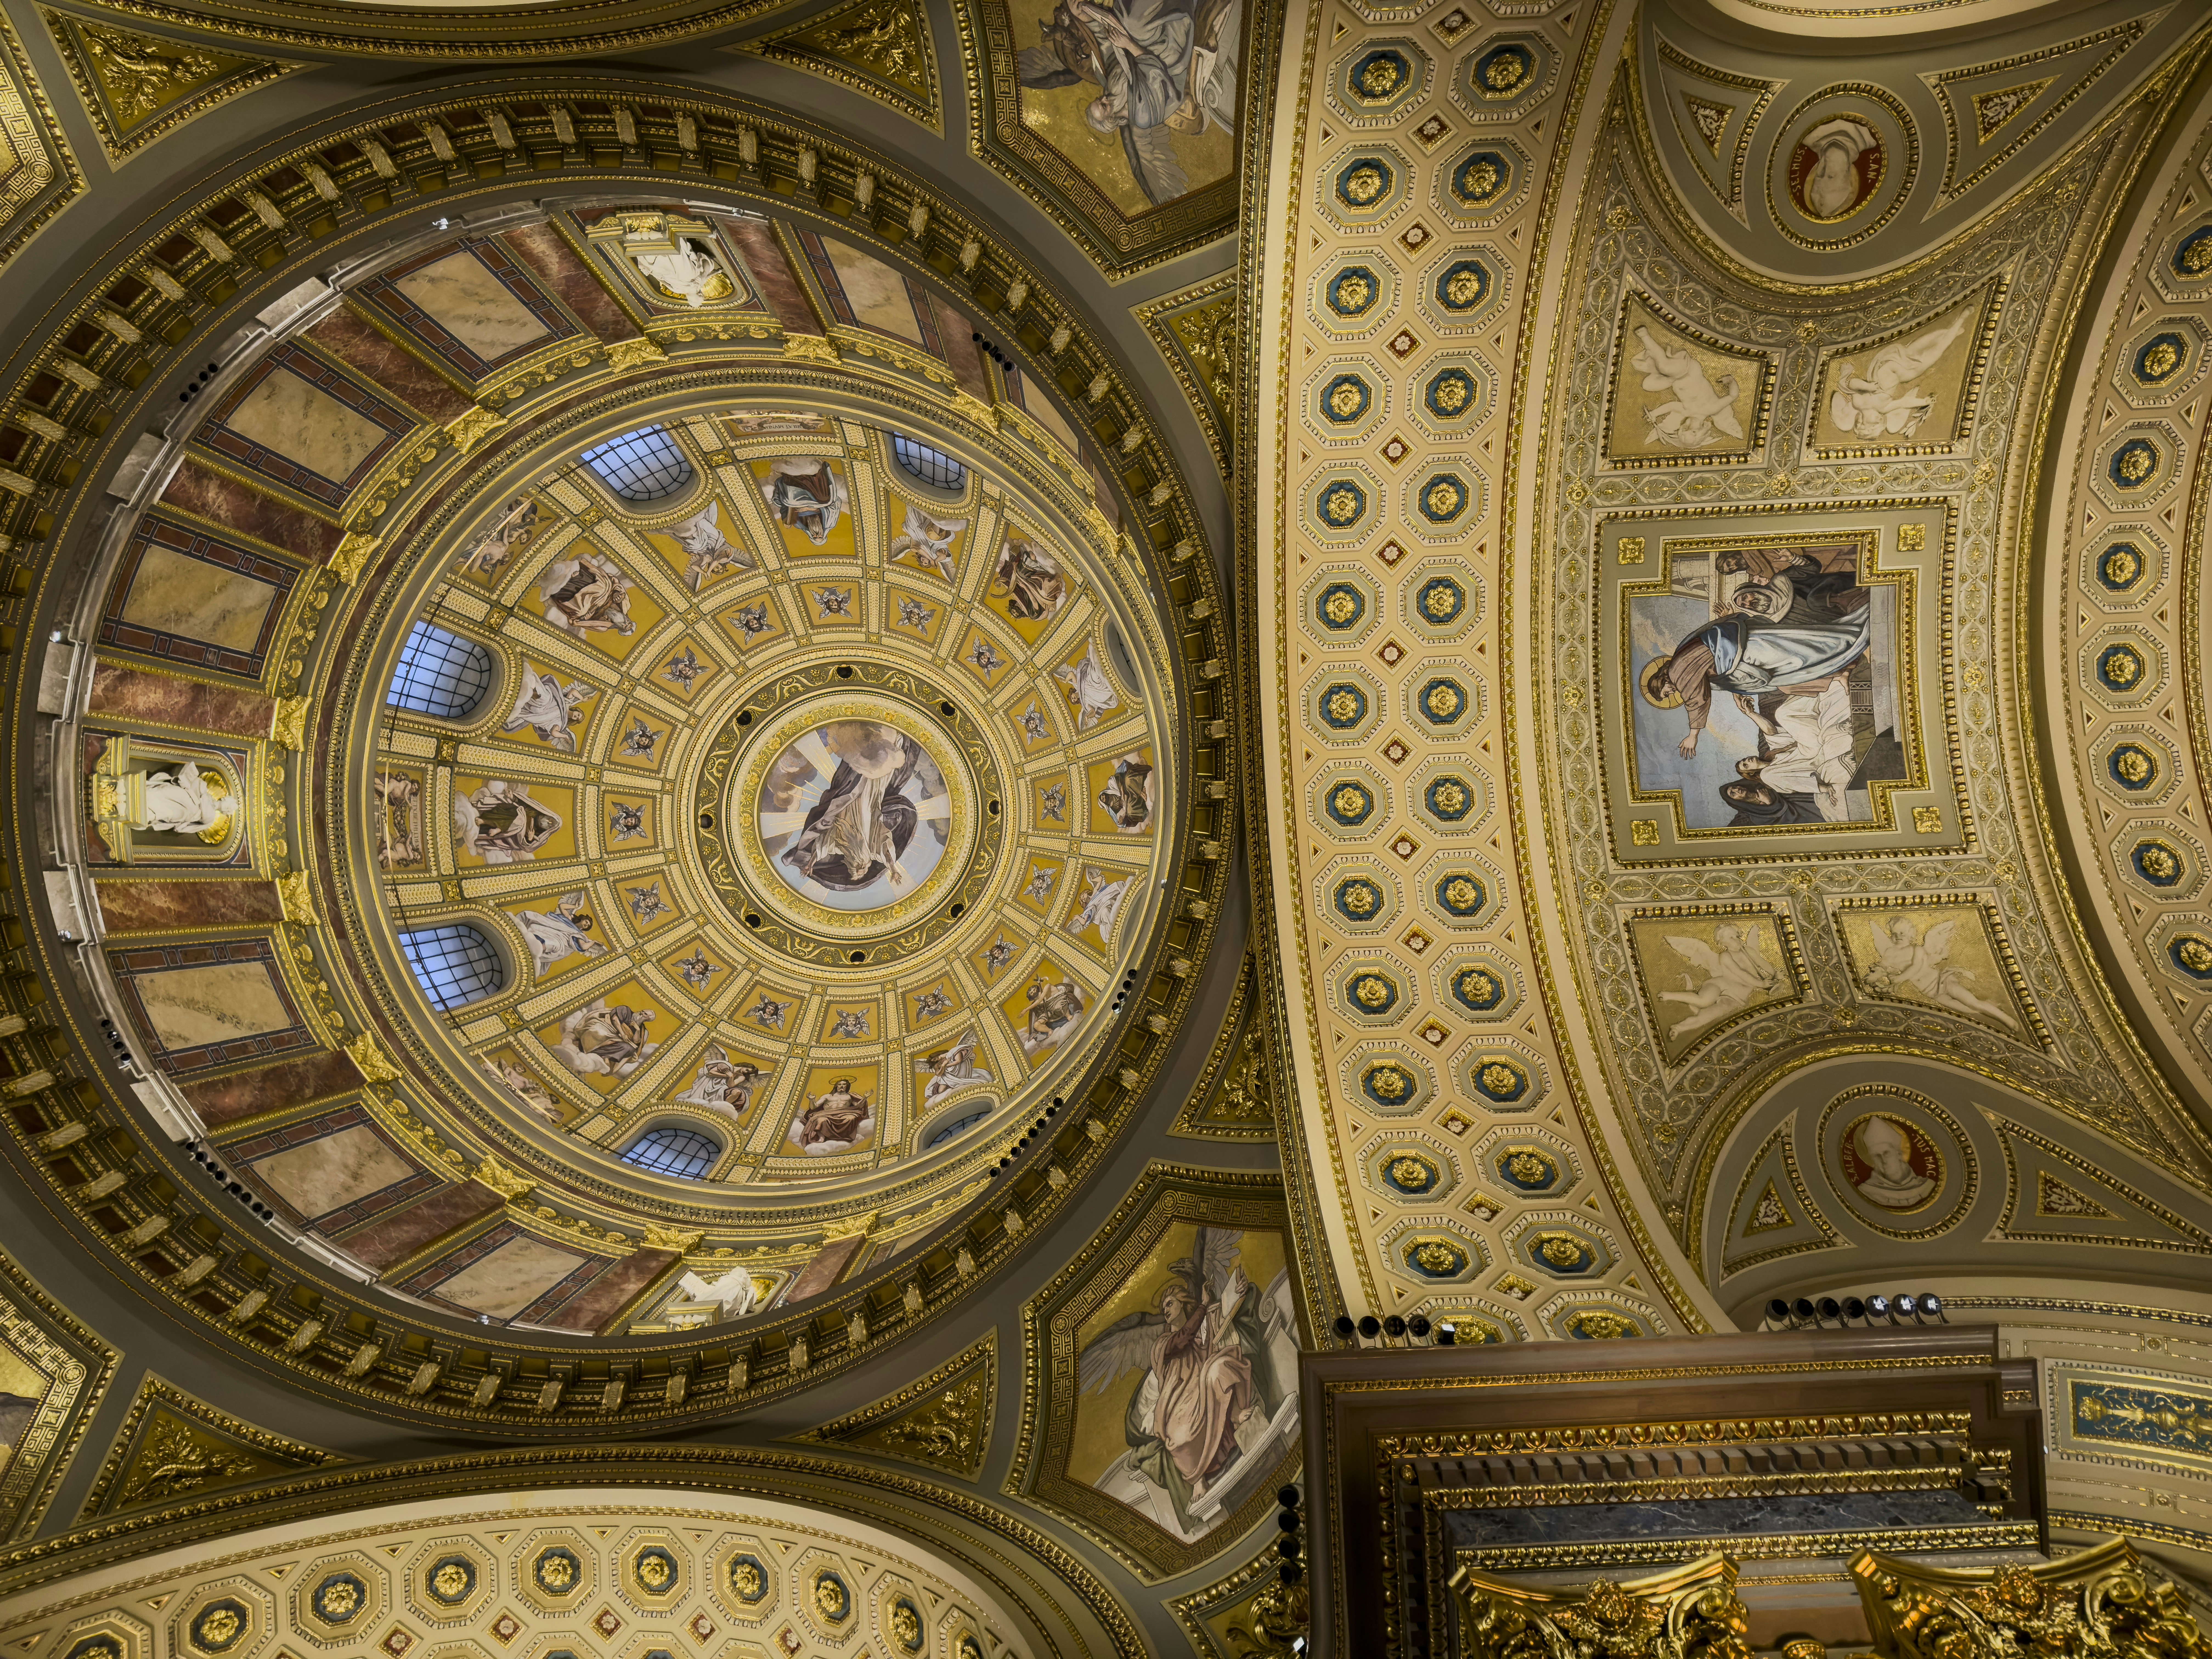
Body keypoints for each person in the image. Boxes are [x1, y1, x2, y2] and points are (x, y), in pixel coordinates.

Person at [1646, 550, 1871, 823]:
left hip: (1752, 652)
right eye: (1744, 766)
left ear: (1664, 681)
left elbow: (1697, 698)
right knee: (1799, 663)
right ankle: (1845, 654)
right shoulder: (1684, 661)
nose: (1676, 694)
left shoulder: (1679, 669)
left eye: (1669, 691)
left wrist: (1694, 733)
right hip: (1752, 655)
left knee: (1800, 656)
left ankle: (1849, 642)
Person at [779, 723, 925, 891]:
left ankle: (874, 734)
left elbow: (820, 849)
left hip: (847, 800)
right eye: (863, 872)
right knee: (880, 772)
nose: (860, 869)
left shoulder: (840, 846)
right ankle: (895, 740)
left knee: (858, 772)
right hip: (871, 801)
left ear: (849, 867)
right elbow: (886, 852)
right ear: (868, 866)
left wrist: (810, 865)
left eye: (855, 872)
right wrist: (893, 870)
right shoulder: (871, 849)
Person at [1850, 1115, 1933, 1208]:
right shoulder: (1868, 1190)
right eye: (1877, 1156)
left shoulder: (1926, 1186)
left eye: (1886, 1153)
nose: (1884, 1161)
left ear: (1899, 1153)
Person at [790, 1079, 873, 1154]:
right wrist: (812, 1100)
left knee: (852, 1118)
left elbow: (859, 1106)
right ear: (836, 1086)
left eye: (844, 1085)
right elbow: (814, 1107)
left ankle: (844, 1136)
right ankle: (822, 1137)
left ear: (847, 1087)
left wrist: (865, 1098)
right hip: (827, 1114)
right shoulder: (828, 1096)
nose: (842, 1086)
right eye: (840, 1085)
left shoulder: (850, 1097)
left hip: (844, 1114)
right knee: (821, 1120)